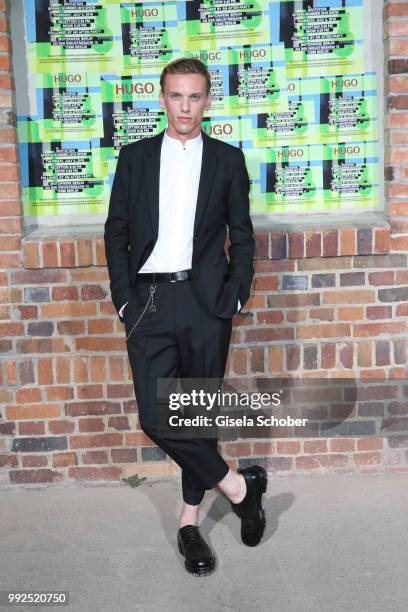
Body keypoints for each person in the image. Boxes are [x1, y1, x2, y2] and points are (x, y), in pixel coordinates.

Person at [104, 57, 267, 577]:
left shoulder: (226, 159)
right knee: (158, 417)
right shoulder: (134, 158)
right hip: (148, 302)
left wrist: (235, 295)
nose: (185, 106)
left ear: (207, 101)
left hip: (205, 303)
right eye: (176, 96)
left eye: (194, 97)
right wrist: (125, 301)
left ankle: (188, 523)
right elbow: (116, 232)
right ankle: (240, 487)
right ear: (162, 98)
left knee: (195, 413)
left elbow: (241, 234)